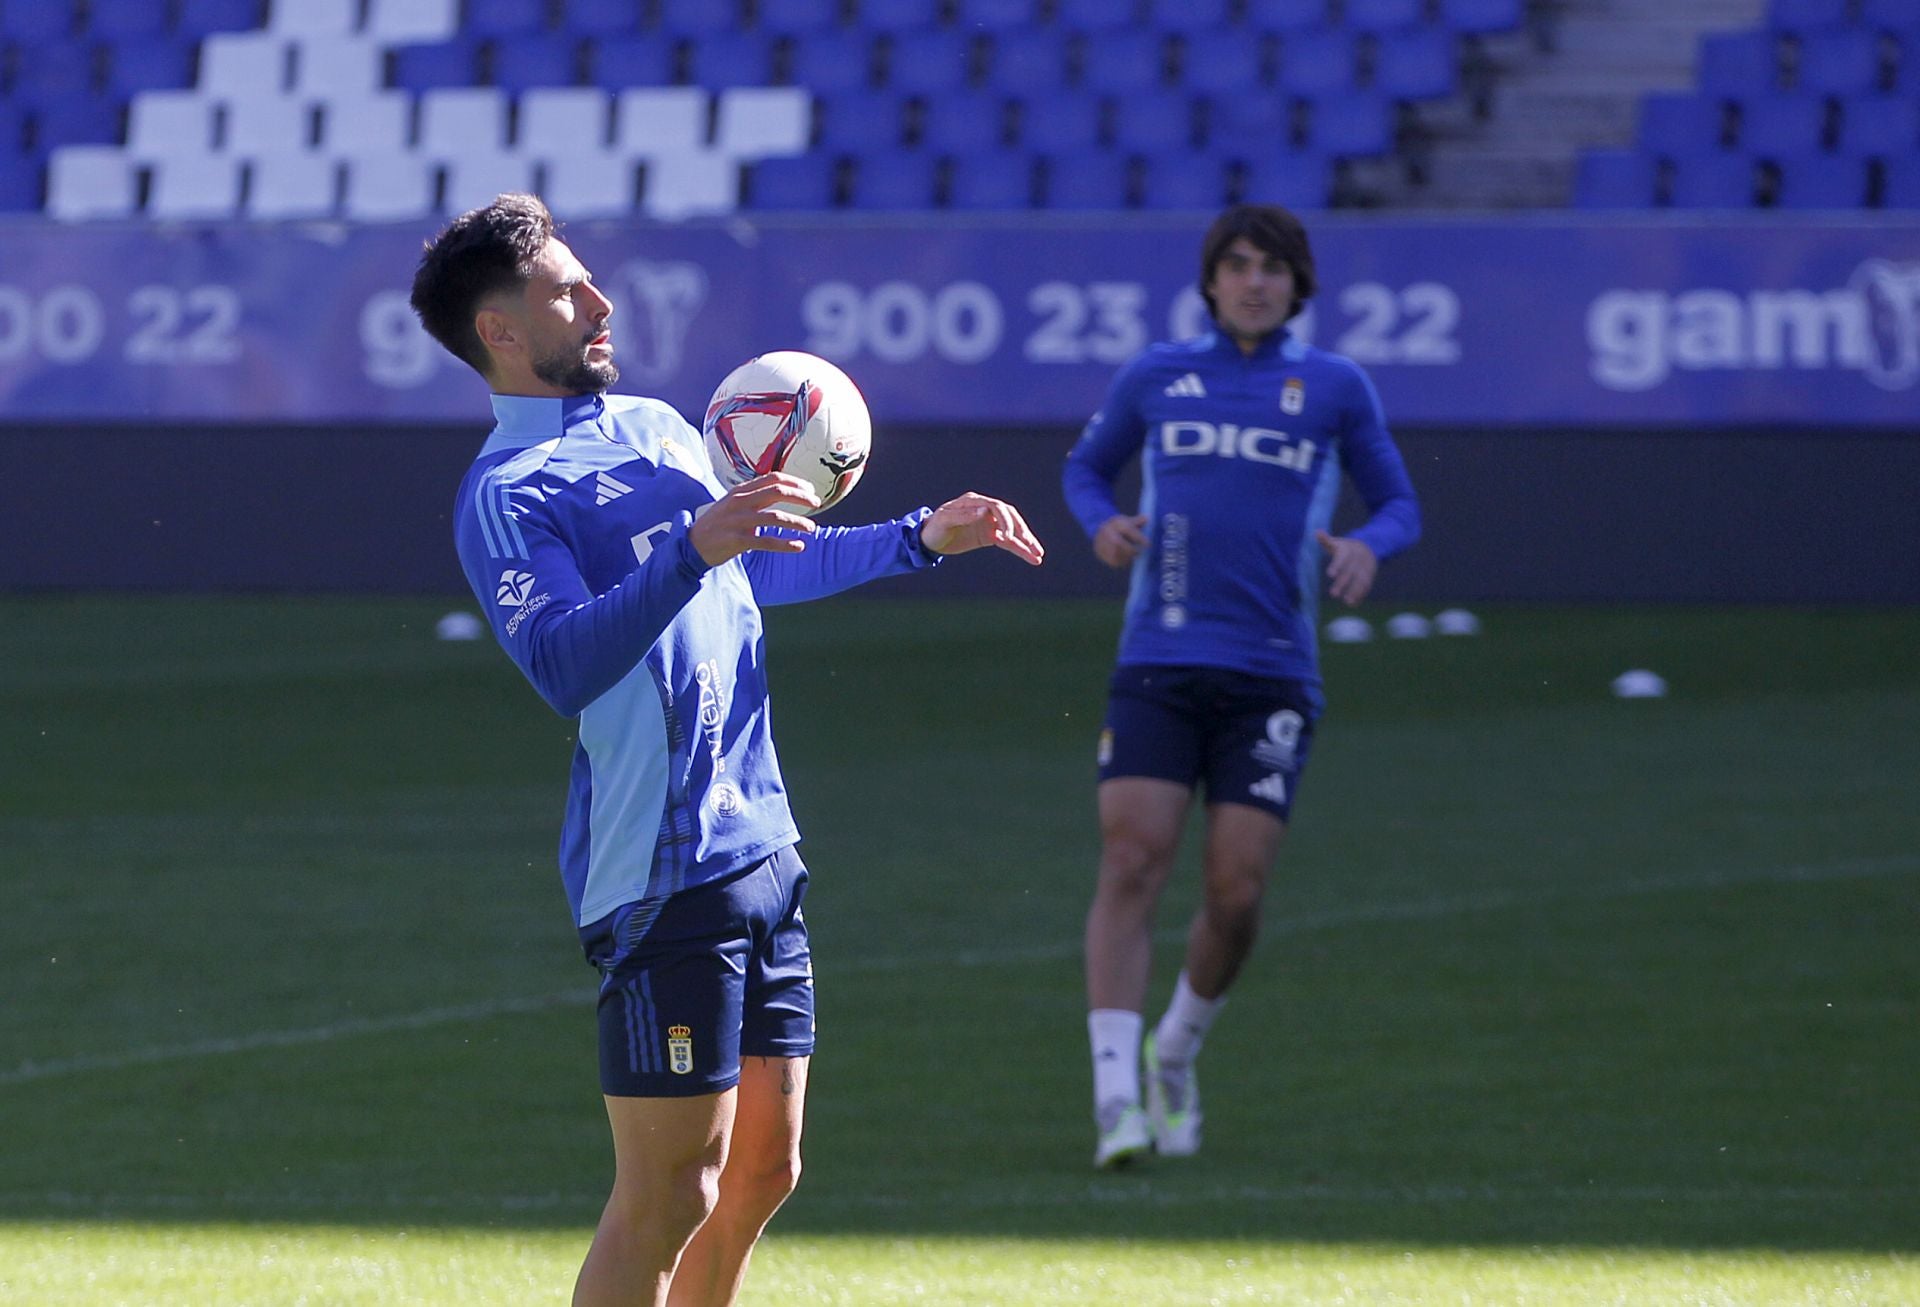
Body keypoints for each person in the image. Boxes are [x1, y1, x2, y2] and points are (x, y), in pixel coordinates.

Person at [410, 194, 1044, 1307]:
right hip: (658, 867)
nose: (602, 300)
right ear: (499, 331)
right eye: (566, 290)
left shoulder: (657, 426)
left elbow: (753, 563)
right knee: (666, 1197)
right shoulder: (507, 497)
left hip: (760, 840)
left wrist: (917, 539)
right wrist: (690, 549)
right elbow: (563, 660)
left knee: (763, 1168)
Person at [1061, 204, 1421, 1169]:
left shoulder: (1334, 386)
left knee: (1236, 891)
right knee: (1133, 859)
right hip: (1159, 659)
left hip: (1271, 671)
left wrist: (1366, 547)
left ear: (1298, 284)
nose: (1254, 280)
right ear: (1211, 279)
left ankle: (1172, 1052)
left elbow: (1398, 502)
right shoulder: (1158, 375)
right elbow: (1087, 468)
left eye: (1272, 267)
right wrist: (1100, 522)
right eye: (1237, 264)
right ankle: (1112, 1102)